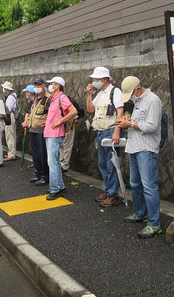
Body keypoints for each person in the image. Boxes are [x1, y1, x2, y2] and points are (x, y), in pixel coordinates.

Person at [117, 76, 163, 239]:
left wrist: (130, 124)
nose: (130, 98)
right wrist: (129, 120)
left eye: (130, 94)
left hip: (146, 147)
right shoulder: (138, 101)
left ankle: (154, 223)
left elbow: (152, 126)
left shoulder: (153, 100)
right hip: (134, 146)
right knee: (135, 183)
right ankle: (140, 213)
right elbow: (139, 122)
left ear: (137, 89)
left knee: (149, 186)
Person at [86, 67, 124, 208]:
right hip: (100, 132)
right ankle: (107, 190)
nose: (93, 81)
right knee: (103, 163)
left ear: (104, 79)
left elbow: (120, 112)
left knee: (111, 164)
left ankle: (113, 195)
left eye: (95, 79)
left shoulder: (115, 91)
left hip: (110, 131)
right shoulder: (101, 93)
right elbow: (90, 109)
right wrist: (89, 94)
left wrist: (117, 131)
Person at [44, 77, 78, 200]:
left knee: (52, 162)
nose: (50, 86)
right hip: (50, 132)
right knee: (54, 162)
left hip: (55, 133)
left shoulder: (61, 98)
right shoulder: (54, 98)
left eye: (52, 84)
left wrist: (60, 122)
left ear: (57, 85)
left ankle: (55, 189)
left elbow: (73, 111)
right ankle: (59, 186)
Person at [23, 80, 50, 186]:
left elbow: (53, 113)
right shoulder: (35, 100)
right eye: (35, 85)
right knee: (35, 153)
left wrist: (47, 121)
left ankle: (45, 176)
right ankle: (38, 173)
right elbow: (30, 113)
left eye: (39, 85)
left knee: (42, 153)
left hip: (41, 130)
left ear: (43, 86)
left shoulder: (48, 98)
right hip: (33, 129)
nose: (37, 87)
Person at [1, 81, 17, 162]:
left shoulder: (10, 97)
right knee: (10, 135)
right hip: (10, 116)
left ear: (6, 89)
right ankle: (11, 152)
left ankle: (11, 154)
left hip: (9, 117)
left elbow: (8, 109)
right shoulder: (12, 95)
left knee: (10, 136)